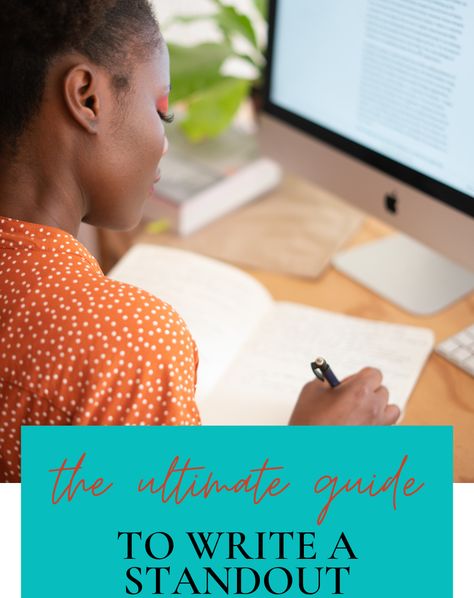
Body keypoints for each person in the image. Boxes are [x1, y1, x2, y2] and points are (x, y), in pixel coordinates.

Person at [0, 0, 400, 483]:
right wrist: (310, 454)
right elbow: (156, 550)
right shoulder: (125, 347)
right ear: (87, 97)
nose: (164, 143)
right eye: (162, 112)